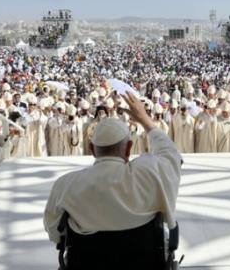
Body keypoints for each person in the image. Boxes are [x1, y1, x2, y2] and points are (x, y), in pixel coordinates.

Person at [43, 92, 182, 268]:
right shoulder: (150, 174)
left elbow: (55, 233)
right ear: (129, 148)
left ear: (92, 149)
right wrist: (145, 120)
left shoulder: (65, 185)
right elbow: (171, 155)